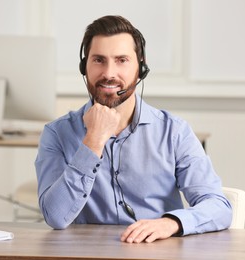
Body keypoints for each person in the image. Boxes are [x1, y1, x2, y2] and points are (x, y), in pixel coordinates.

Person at [35, 15, 232, 244]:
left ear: (141, 68)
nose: (109, 73)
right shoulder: (57, 134)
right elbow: (55, 217)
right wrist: (93, 141)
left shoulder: (174, 132)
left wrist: (171, 223)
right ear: (84, 67)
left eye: (121, 60)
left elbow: (219, 206)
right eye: (99, 60)